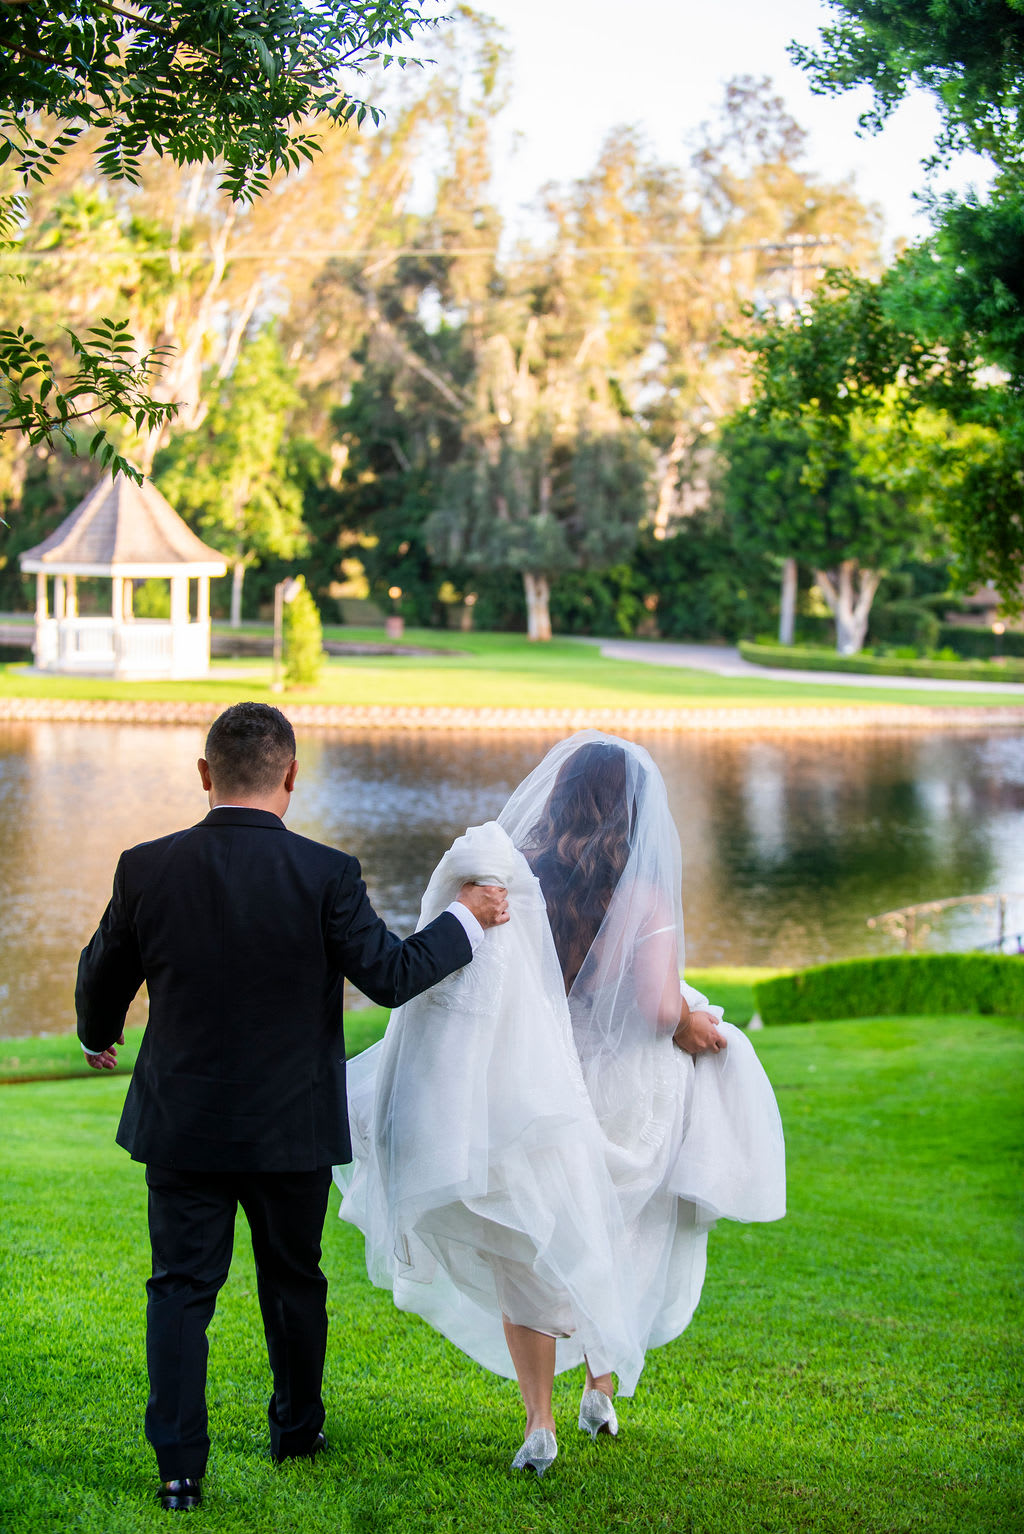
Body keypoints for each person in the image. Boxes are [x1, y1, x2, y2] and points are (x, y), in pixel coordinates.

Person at [76, 701, 509, 1513]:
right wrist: (467, 919)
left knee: (179, 1289)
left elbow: (103, 971)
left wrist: (96, 1034)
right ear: (292, 777)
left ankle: (178, 1471)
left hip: (184, 1126)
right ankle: (297, 1433)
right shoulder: (327, 873)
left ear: (206, 776)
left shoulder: (146, 866)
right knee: (292, 1280)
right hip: (292, 1126)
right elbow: (391, 974)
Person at [337, 731, 785, 1477]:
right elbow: (650, 1005)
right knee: (619, 1230)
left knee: (532, 1241)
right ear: (633, 812)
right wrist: (691, 1021)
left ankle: (538, 1422)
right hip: (619, 1087)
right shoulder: (641, 892)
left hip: (537, 1077)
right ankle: (601, 1388)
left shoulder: (521, 875)